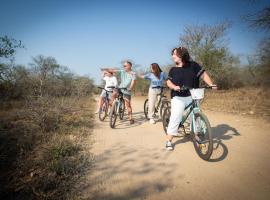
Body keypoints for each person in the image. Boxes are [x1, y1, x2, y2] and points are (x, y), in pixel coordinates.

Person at [165, 47, 217, 150]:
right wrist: (174, 87)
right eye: (172, 54)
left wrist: (211, 84)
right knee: (176, 117)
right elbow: (168, 82)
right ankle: (169, 141)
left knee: (196, 117)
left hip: (193, 95)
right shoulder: (173, 70)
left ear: (182, 54)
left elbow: (203, 75)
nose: (172, 56)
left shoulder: (193, 65)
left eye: (175, 54)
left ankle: (196, 136)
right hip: (178, 97)